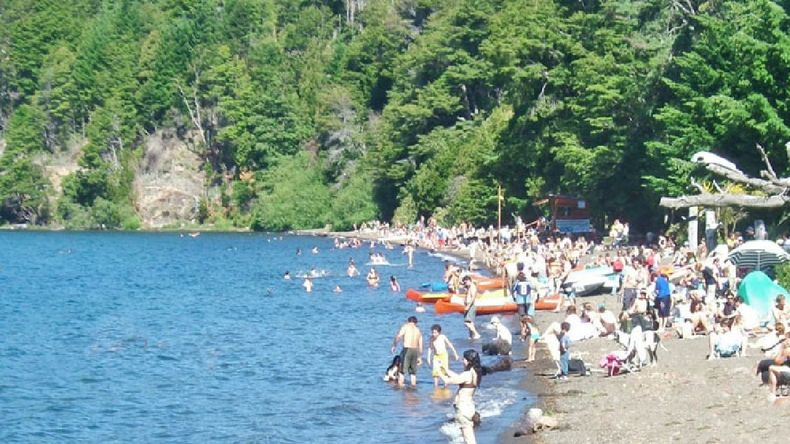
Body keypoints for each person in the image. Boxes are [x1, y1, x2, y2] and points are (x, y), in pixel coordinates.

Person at [438, 349, 483, 444]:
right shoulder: (474, 373)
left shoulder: (467, 374)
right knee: (469, 437)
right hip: (469, 407)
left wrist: (438, 371)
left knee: (469, 439)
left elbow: (448, 381)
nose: (463, 361)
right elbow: (458, 378)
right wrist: (446, 369)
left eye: (464, 359)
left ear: (468, 361)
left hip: (463, 409)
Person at [391, 316, 424, 386]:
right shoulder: (418, 330)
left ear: (408, 321)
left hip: (407, 350)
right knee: (413, 373)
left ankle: (400, 387)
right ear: (415, 323)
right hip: (415, 351)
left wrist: (394, 345)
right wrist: (420, 357)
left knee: (401, 371)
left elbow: (398, 336)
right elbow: (421, 345)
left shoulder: (405, 327)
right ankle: (413, 388)